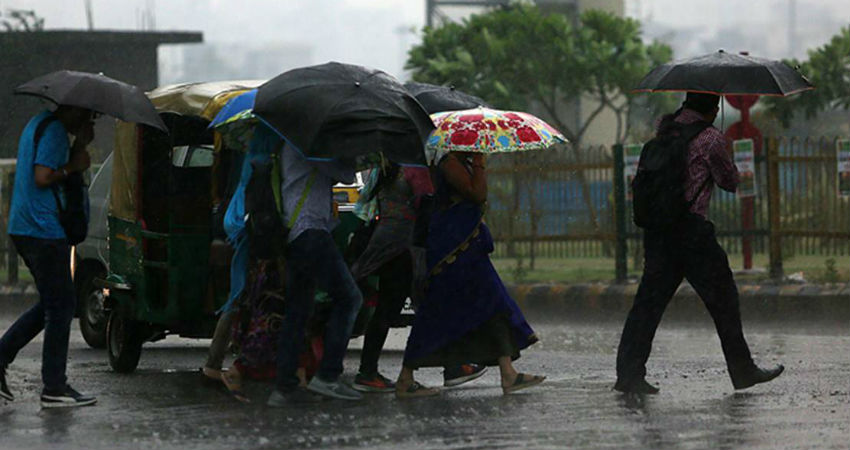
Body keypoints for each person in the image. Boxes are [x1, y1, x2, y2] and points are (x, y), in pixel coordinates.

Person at [614, 92, 784, 394]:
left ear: (686, 104)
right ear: (713, 109)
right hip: (692, 235)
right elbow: (729, 182)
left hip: (658, 235)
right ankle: (742, 370)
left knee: (647, 306)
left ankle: (628, 375)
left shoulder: (663, 133)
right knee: (724, 300)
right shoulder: (710, 139)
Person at [395, 151, 544, 398]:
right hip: (452, 251)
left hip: (469, 250)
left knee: (494, 304)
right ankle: (406, 377)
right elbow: (478, 194)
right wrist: (479, 164)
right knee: (437, 311)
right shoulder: (450, 163)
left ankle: (508, 372)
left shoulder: (458, 161)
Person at [349, 164, 486, 393]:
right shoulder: (414, 168)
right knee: (421, 306)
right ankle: (438, 368)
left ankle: (371, 371)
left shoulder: (385, 166)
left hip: (386, 241)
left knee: (393, 308)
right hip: (406, 247)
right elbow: (427, 205)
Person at [0, 105, 97, 408]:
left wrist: (79, 145)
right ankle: (54, 386)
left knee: (52, 302)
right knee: (62, 305)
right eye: (88, 115)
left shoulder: (38, 122)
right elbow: (42, 176)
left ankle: (3, 357)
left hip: (27, 226)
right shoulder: (54, 131)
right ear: (74, 109)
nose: (90, 121)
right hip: (42, 228)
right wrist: (74, 165)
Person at [266, 143, 364, 406]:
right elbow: (344, 174)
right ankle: (328, 376)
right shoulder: (307, 142)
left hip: (297, 234)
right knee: (349, 298)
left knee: (298, 309)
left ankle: (284, 386)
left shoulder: (289, 139)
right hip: (310, 230)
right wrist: (355, 152)